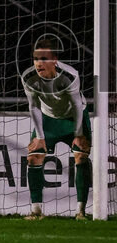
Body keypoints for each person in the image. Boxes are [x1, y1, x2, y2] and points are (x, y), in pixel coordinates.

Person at [20, 37, 92, 220]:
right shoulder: (28, 77)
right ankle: (36, 212)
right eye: (36, 59)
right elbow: (33, 106)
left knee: (81, 156)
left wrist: (78, 134)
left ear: (54, 60)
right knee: (34, 157)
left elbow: (76, 106)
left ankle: (81, 212)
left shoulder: (70, 75)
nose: (38, 64)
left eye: (44, 59)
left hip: (73, 118)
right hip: (48, 119)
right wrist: (40, 137)